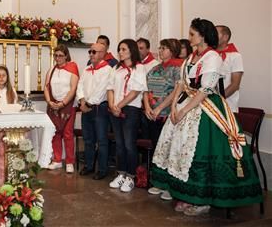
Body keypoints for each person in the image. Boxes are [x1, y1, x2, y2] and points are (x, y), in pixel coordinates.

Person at [151, 18, 262, 216]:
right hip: (186, 104)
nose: (189, 37)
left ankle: (203, 200)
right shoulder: (191, 57)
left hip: (206, 108)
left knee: (200, 151)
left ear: (202, 36)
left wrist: (184, 111)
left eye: (192, 34)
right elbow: (181, 84)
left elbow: (205, 89)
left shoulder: (213, 58)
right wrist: (173, 107)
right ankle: (185, 194)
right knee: (180, 150)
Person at [143, 38, 183, 200]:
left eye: (164, 48)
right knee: (157, 148)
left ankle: (170, 186)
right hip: (151, 113)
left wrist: (159, 108)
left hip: (167, 114)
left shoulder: (178, 68)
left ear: (173, 50)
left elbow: (176, 91)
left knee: (170, 150)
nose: (160, 51)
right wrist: (147, 107)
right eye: (159, 48)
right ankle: (159, 182)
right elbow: (145, 88)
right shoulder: (155, 69)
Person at [108, 39, 147, 193]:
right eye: (119, 50)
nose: (121, 52)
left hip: (130, 109)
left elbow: (136, 91)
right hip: (115, 109)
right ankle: (121, 173)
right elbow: (109, 87)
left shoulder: (139, 67)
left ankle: (131, 176)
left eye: (124, 49)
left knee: (129, 145)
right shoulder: (117, 68)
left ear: (131, 50)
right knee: (119, 144)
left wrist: (120, 105)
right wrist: (112, 105)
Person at [77, 42, 113, 180]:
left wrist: (88, 103)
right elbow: (80, 86)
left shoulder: (108, 70)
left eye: (94, 52)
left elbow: (101, 89)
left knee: (102, 140)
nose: (91, 54)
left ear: (103, 53)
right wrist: (81, 101)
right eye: (90, 52)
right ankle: (89, 165)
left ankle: (102, 169)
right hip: (85, 107)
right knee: (88, 140)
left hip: (99, 108)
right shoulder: (86, 69)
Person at [44, 45, 79, 173]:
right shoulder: (51, 69)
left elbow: (73, 88)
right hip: (53, 105)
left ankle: (70, 161)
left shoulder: (72, 67)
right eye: (56, 55)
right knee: (55, 133)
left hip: (67, 105)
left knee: (68, 134)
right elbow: (46, 87)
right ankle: (57, 160)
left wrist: (63, 103)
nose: (58, 58)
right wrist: (49, 101)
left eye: (60, 55)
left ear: (66, 56)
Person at [216, 25, 243, 113]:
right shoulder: (211, 55)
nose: (212, 36)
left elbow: (235, 85)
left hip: (228, 106)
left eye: (215, 33)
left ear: (225, 37)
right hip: (210, 107)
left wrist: (217, 100)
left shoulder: (235, 56)